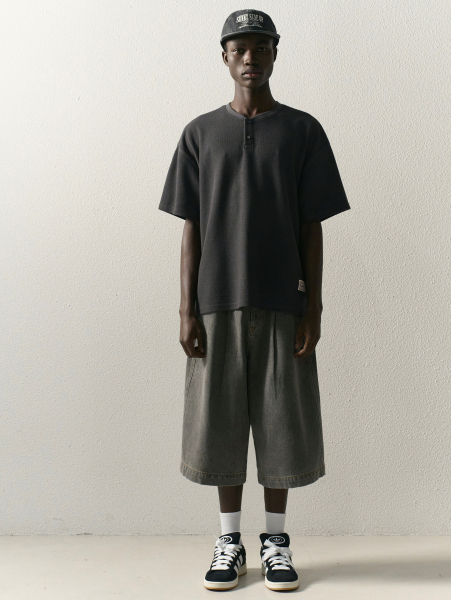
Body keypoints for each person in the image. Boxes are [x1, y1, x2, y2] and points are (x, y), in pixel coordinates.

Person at [158, 9, 351, 592]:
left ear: (274, 53)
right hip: (215, 302)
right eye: (239, 48)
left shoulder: (303, 131)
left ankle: (275, 541)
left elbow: (313, 226)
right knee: (219, 424)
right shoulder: (199, 134)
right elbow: (190, 227)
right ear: (224, 57)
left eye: (260, 47)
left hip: (283, 300)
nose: (250, 58)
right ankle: (229, 541)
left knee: (281, 424)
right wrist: (187, 309)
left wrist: (313, 308)